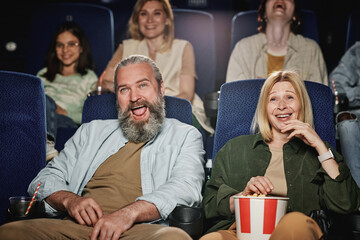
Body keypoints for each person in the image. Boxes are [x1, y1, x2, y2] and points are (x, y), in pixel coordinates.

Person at [0, 55, 205, 240]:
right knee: (10, 232)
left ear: (160, 89)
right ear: (117, 97)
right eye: (124, 89)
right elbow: (41, 181)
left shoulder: (184, 135)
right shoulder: (90, 131)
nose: (134, 97)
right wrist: (70, 201)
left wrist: (128, 214)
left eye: (142, 85)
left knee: (174, 238)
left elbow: (186, 188)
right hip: (75, 227)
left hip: (139, 230)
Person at [201, 71, 359, 240]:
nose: (281, 105)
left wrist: (320, 146)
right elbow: (209, 204)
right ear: (264, 108)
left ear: (302, 105)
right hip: (240, 231)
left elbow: (347, 204)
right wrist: (242, 197)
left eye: (290, 97)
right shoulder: (234, 149)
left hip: (294, 231)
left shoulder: (322, 153)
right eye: (273, 99)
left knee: (294, 222)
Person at [100, 0, 214, 135]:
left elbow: (186, 94)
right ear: (137, 19)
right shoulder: (126, 46)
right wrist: (133, 95)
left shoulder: (183, 47)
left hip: (177, 108)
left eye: (157, 13)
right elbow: (105, 82)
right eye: (143, 14)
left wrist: (151, 106)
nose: (150, 20)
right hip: (135, 109)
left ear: (166, 19)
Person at [226, 0, 328, 86]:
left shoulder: (311, 50)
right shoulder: (243, 49)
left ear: (294, 15)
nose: (280, 0)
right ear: (264, 13)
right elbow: (234, 102)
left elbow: (319, 101)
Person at [38, 21, 98, 161]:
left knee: (50, 106)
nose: (65, 50)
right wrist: (50, 108)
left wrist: (63, 111)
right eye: (60, 45)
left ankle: (45, 143)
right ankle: (47, 145)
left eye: (71, 44)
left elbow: (89, 115)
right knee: (43, 100)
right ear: (55, 49)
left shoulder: (88, 77)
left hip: (67, 122)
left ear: (81, 48)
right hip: (40, 120)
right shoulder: (43, 75)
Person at [329, 41, 360, 188]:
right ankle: (356, 196)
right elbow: (336, 85)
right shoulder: (358, 51)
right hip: (357, 115)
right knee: (346, 123)